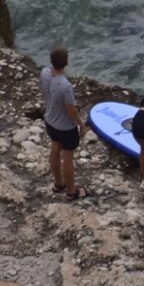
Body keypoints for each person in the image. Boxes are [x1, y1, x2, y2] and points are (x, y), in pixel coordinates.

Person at [39, 46, 89, 200]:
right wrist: (81, 124)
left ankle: (58, 183)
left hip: (50, 120)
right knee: (68, 156)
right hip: (66, 127)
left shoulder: (45, 73)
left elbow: (43, 91)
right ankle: (71, 191)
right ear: (66, 62)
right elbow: (71, 110)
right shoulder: (66, 86)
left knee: (54, 149)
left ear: (51, 61)